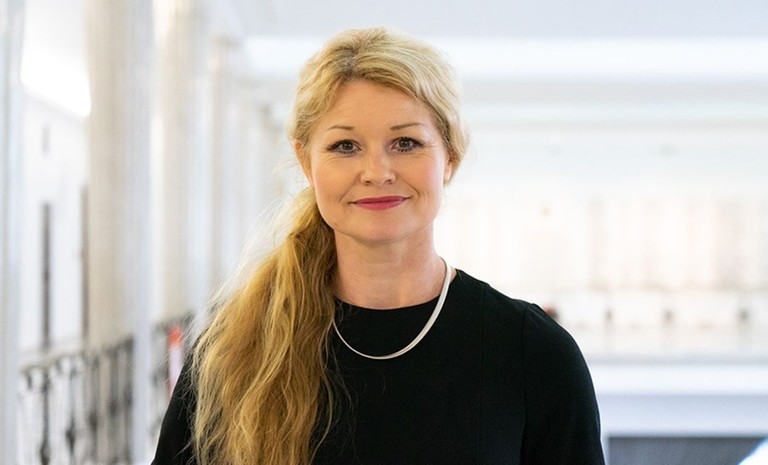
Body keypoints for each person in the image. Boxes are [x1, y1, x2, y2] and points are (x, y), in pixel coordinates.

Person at [152, 27, 605, 465]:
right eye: (345, 146)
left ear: (449, 157)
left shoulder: (532, 354)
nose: (376, 172)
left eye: (405, 143)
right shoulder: (234, 351)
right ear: (306, 163)